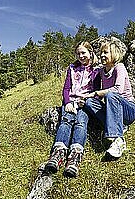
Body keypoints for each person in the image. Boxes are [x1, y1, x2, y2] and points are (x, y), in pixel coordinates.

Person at [45, 41, 101, 178]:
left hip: (85, 102)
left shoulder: (97, 70)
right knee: (66, 121)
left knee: (81, 123)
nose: (81, 56)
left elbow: (98, 91)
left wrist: (87, 101)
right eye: (78, 53)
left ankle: (74, 158)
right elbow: (66, 88)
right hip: (71, 101)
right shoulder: (72, 68)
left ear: (90, 52)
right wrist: (68, 102)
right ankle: (58, 153)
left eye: (83, 53)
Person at [81, 37, 135, 159]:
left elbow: (117, 90)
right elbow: (93, 65)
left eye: (105, 52)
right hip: (112, 108)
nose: (102, 55)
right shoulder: (102, 71)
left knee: (111, 94)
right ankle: (119, 127)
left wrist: (96, 93)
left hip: (128, 110)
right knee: (90, 102)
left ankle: (118, 140)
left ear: (114, 54)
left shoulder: (119, 67)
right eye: (101, 52)